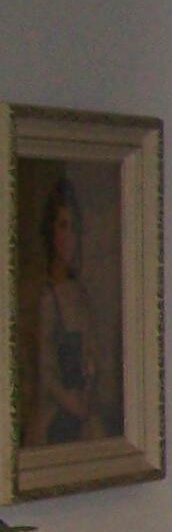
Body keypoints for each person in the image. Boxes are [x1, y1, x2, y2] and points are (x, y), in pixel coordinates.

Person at [22, 177, 103, 448]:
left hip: (82, 410)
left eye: (74, 228)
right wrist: (71, 403)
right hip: (53, 416)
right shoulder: (46, 296)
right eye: (63, 226)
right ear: (51, 232)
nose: (69, 238)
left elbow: (91, 355)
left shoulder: (81, 294)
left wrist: (87, 394)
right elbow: (45, 371)